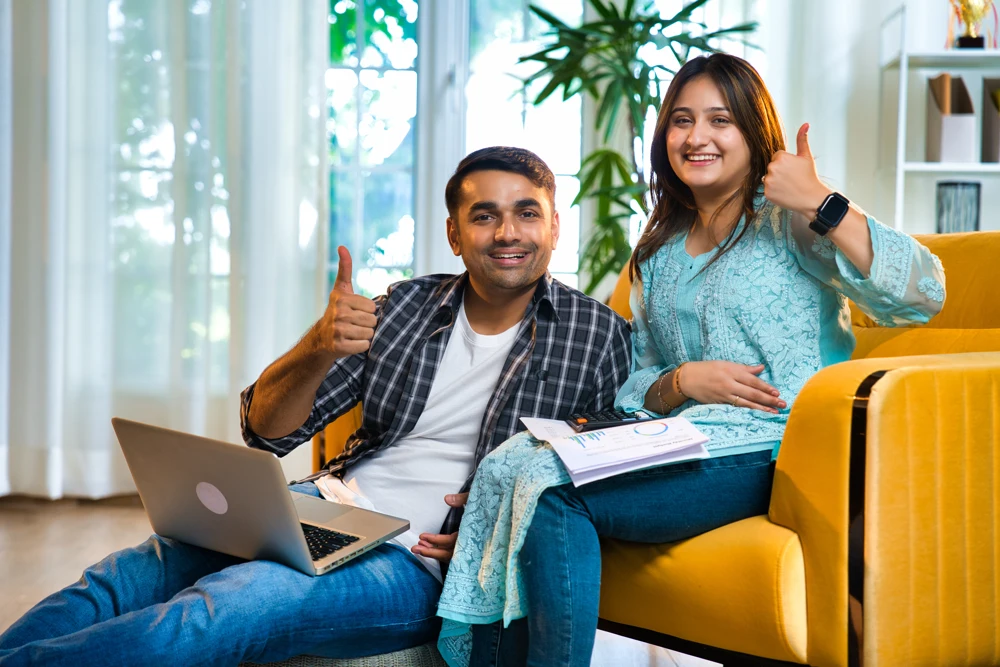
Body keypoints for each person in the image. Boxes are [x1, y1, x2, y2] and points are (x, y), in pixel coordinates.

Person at [0, 147, 631, 667]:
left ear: (553, 225)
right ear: (454, 232)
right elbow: (264, 431)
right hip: (324, 507)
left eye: (527, 213)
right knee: (127, 575)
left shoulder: (598, 335)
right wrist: (319, 347)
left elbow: (606, 476)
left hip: (420, 561)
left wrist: (497, 524)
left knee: (227, 604)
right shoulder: (405, 307)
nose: (508, 233)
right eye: (485, 215)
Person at [435, 53, 946, 667]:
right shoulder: (657, 251)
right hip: (679, 437)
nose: (697, 136)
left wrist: (821, 201)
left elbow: (924, 294)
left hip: (781, 447)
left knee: (552, 493)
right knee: (515, 465)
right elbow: (631, 384)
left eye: (719, 120)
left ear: (753, 134)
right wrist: (681, 380)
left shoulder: (795, 222)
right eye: (681, 120)